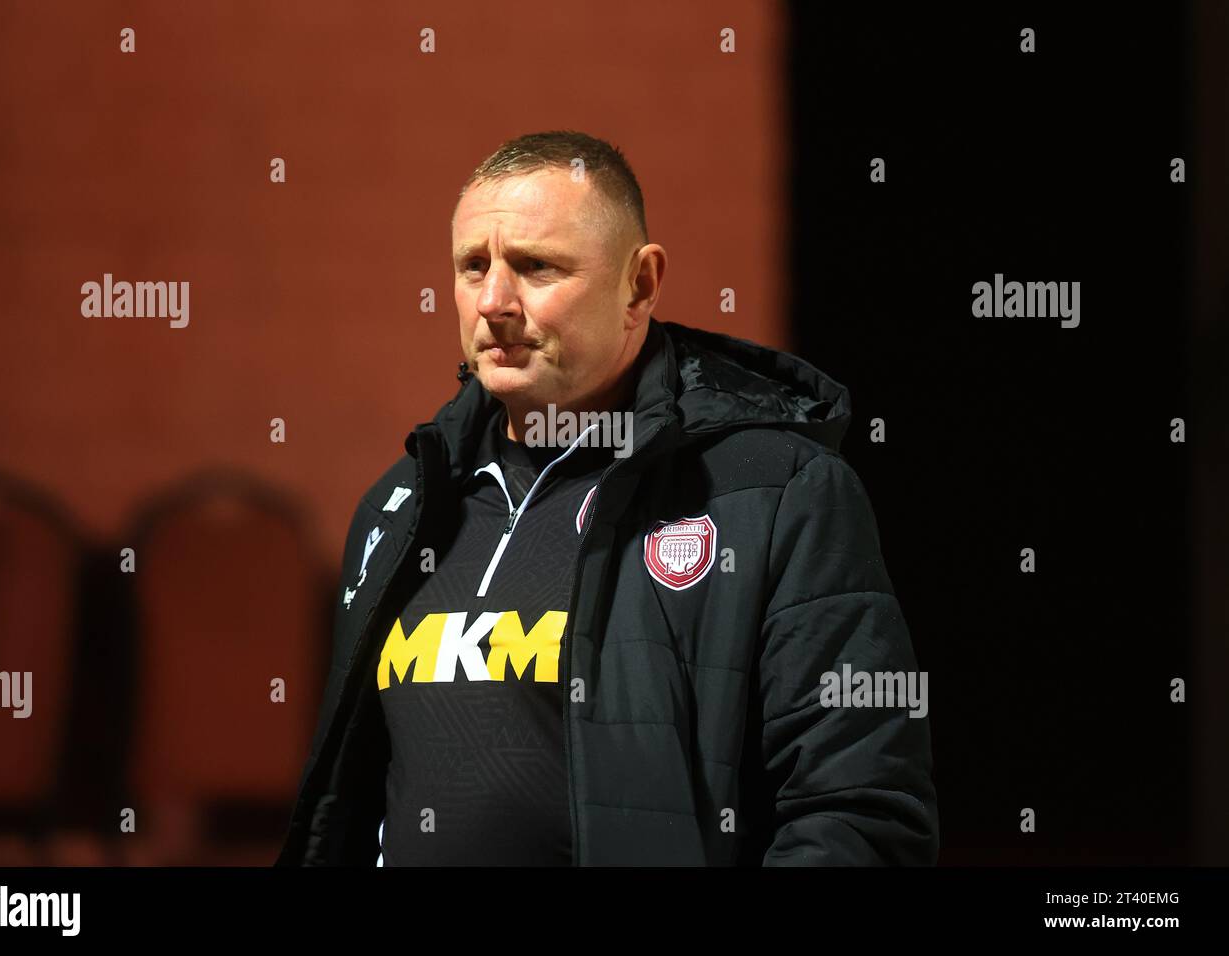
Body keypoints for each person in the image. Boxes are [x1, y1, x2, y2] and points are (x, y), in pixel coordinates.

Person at [276, 130, 938, 866]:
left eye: (535, 266)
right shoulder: (400, 509)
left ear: (641, 285)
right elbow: (345, 808)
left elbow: (860, 815)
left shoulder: (777, 493)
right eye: (472, 266)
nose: (493, 301)